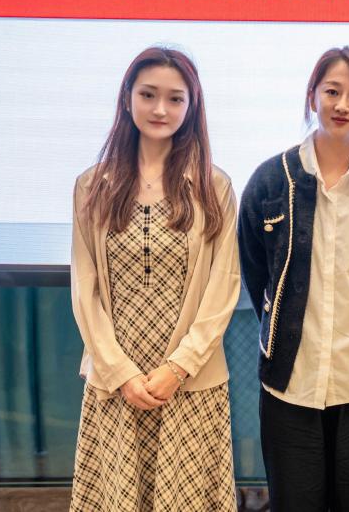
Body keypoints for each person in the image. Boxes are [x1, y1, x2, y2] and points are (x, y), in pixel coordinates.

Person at [237, 46, 349, 511]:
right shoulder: (271, 181)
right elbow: (257, 272)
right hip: (291, 384)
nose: (342, 105)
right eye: (332, 91)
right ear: (312, 94)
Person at [70, 47, 240, 511]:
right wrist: (121, 372)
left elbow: (223, 286)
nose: (160, 109)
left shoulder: (215, 187)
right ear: (127, 98)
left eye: (175, 98)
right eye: (148, 94)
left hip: (190, 382)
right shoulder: (92, 186)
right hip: (115, 382)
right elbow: (84, 289)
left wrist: (178, 368)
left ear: (191, 106)